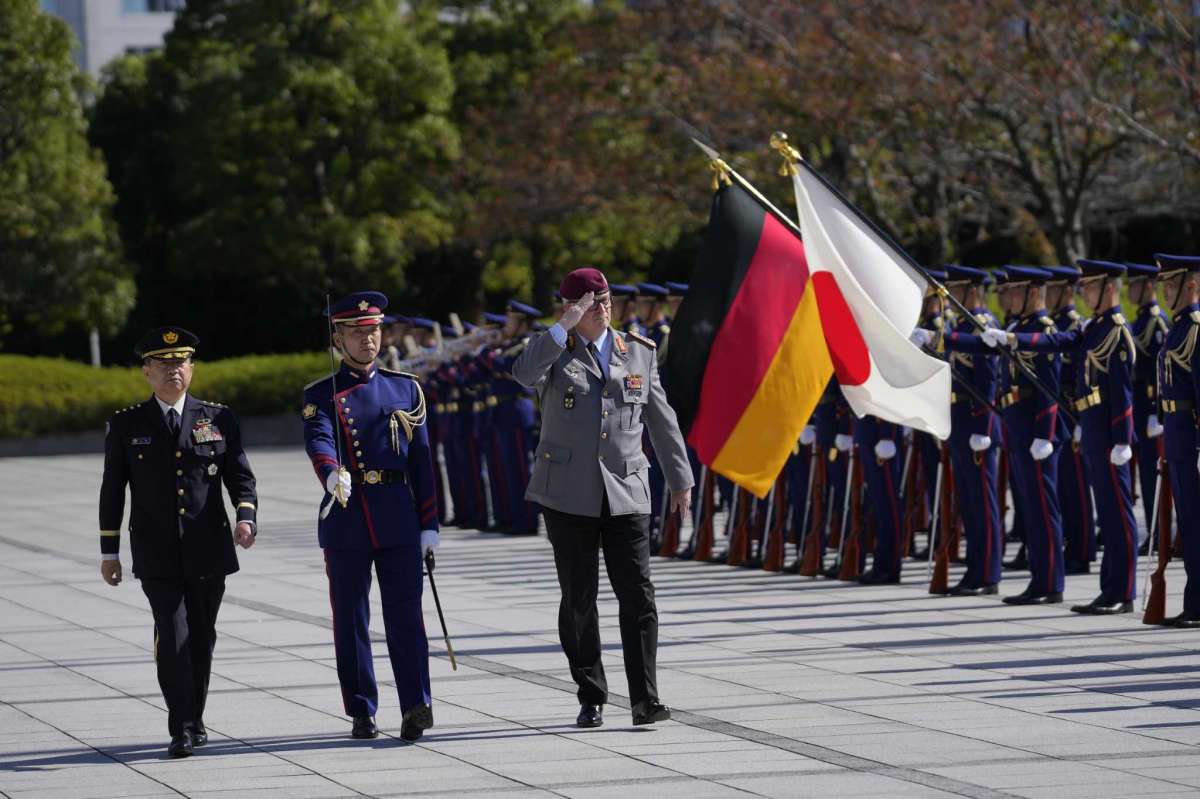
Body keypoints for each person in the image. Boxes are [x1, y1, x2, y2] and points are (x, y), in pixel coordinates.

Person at [511, 267, 694, 728]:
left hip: (627, 490)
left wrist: (680, 478)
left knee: (638, 595)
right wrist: (563, 326)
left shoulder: (637, 352)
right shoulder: (555, 351)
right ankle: (590, 692)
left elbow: (661, 417)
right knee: (579, 598)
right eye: (592, 303)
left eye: (606, 299)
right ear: (571, 308)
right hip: (567, 494)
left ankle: (644, 698)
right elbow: (521, 372)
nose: (603, 308)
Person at [99, 327, 258, 758]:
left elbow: (240, 477)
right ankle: (181, 727)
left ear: (192, 367)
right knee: (173, 634)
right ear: (147, 372)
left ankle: (195, 716)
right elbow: (113, 490)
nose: (175, 371)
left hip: (209, 548)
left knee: (201, 638)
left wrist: (247, 518)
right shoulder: (128, 423)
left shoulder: (218, 418)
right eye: (165, 365)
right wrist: (109, 552)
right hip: (156, 551)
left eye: (181, 363)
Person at [301, 292, 441, 741]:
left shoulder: (406, 388)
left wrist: (430, 524)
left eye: (374, 331)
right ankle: (362, 707)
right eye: (358, 333)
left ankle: (416, 703)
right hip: (348, 516)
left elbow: (422, 463)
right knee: (351, 618)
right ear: (338, 337)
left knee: (406, 616)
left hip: (398, 516)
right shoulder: (321, 394)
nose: (368, 340)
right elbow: (319, 439)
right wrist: (329, 474)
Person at [983, 260, 1139, 614]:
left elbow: (1124, 392)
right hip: (1093, 429)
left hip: (1111, 437)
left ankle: (1123, 591)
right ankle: (1108, 589)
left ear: (1108, 288)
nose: (1084, 292)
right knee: (1107, 512)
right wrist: (1010, 338)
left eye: (1090, 286)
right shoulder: (1093, 328)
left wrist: (1123, 439)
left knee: (1118, 514)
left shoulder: (1116, 332)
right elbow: (1055, 342)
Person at [1153, 254, 1200, 627]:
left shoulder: (1196, 329)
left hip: (1191, 438)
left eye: (1172, 283)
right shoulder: (1178, 327)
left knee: (1196, 522)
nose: (1165, 290)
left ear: (1192, 285)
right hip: (1176, 433)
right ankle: (1193, 600)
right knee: (1187, 520)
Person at [1126, 261, 1168, 550]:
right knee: (1143, 475)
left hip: (1151, 408)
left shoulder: (1157, 323)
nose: (1130, 290)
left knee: (1155, 477)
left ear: (1150, 286)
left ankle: (1161, 535)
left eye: (1136, 284)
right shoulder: (1140, 321)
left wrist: (1156, 410)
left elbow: (1161, 370)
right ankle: (1155, 536)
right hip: (1138, 407)